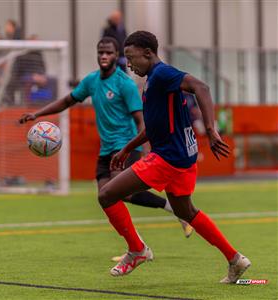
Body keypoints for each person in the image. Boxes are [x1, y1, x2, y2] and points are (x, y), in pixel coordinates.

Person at [100, 31, 250, 283]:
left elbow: (201, 87)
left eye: (131, 57)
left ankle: (137, 250)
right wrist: (128, 148)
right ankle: (235, 259)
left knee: (107, 194)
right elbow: (154, 126)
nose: (128, 64)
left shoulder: (161, 74)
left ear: (148, 53)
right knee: (186, 210)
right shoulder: (154, 80)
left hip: (167, 158)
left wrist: (211, 130)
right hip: (183, 158)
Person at [19, 36, 193, 243]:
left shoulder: (125, 84)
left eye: (109, 52)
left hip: (124, 146)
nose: (104, 56)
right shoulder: (91, 81)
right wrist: (37, 114)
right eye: (101, 52)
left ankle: (140, 244)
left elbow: (141, 119)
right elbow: (67, 101)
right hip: (106, 149)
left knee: (118, 194)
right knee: (105, 195)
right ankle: (147, 236)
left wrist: (145, 149)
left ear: (117, 55)